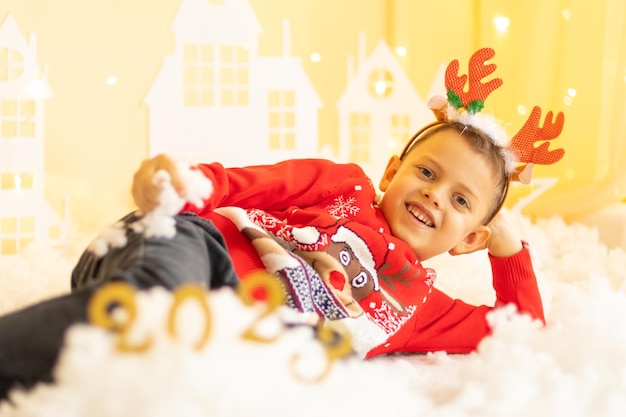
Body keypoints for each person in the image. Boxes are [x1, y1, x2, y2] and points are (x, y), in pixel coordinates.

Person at [0, 47, 562, 399]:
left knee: (191, 360)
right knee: (154, 309)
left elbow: (522, 329)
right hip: (191, 249)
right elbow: (257, 183)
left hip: (228, 332)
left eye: (461, 201)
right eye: (427, 171)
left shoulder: (421, 308)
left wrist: (508, 246)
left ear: (470, 240)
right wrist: (184, 184)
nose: (434, 195)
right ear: (393, 169)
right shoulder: (344, 185)